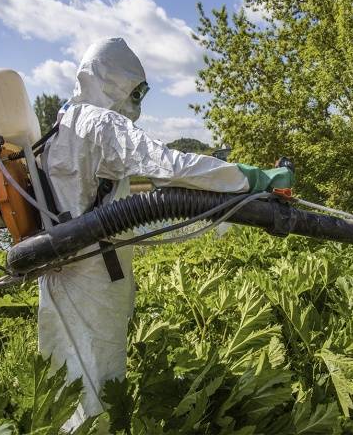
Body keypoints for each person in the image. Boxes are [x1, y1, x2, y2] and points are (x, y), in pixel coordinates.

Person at [38, 37, 292, 430]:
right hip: (92, 269)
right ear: (112, 80)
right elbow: (169, 165)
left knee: (65, 371)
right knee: (99, 371)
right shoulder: (100, 122)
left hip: (59, 268)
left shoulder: (63, 122)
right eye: (134, 90)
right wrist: (248, 177)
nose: (136, 101)